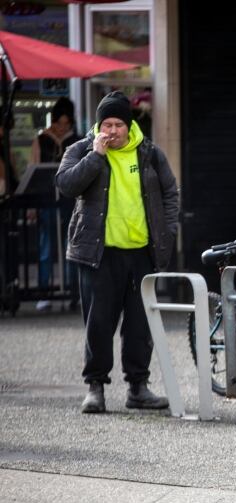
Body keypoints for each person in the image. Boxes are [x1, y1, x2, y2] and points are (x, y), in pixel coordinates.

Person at [55, 91, 179, 414]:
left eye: (118, 124)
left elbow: (170, 193)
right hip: (99, 253)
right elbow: (65, 184)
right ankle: (95, 387)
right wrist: (95, 157)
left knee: (139, 324)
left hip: (141, 253)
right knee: (98, 323)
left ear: (129, 125)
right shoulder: (81, 150)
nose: (111, 131)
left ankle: (138, 387)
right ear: (98, 126)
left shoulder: (150, 153)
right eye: (106, 124)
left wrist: (167, 233)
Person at [29, 97, 82, 311]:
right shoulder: (41, 139)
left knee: (71, 247)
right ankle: (44, 292)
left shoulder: (77, 140)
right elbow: (32, 170)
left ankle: (72, 292)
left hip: (70, 201)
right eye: (59, 124)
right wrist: (33, 206)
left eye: (66, 124)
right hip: (46, 200)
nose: (62, 129)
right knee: (46, 247)